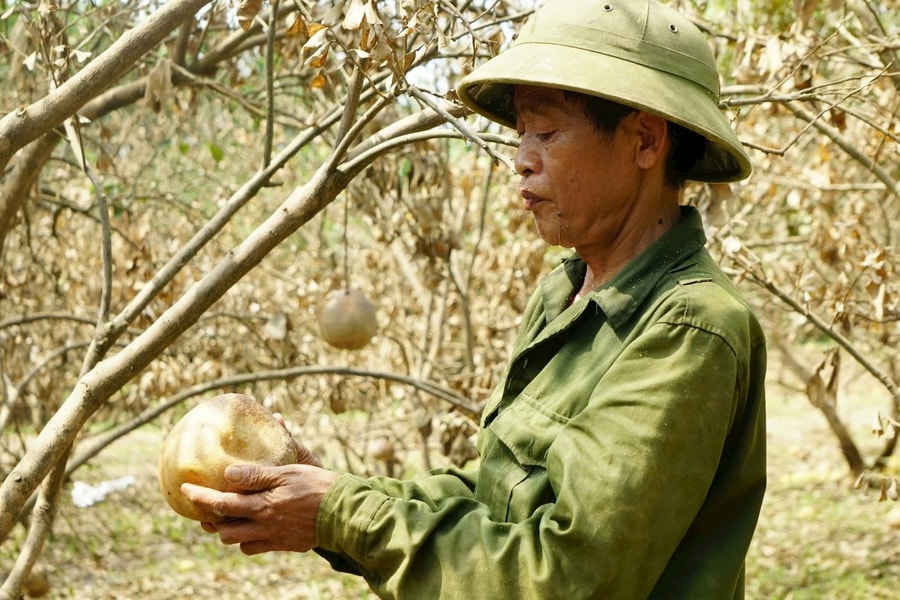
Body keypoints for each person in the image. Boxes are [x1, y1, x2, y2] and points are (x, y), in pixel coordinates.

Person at [181, 0, 767, 598]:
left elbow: (567, 574)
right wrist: (324, 496)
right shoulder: (566, 292)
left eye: (546, 132)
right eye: (520, 135)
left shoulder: (691, 329)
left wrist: (337, 512)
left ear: (644, 140)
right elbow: (499, 494)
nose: (521, 161)